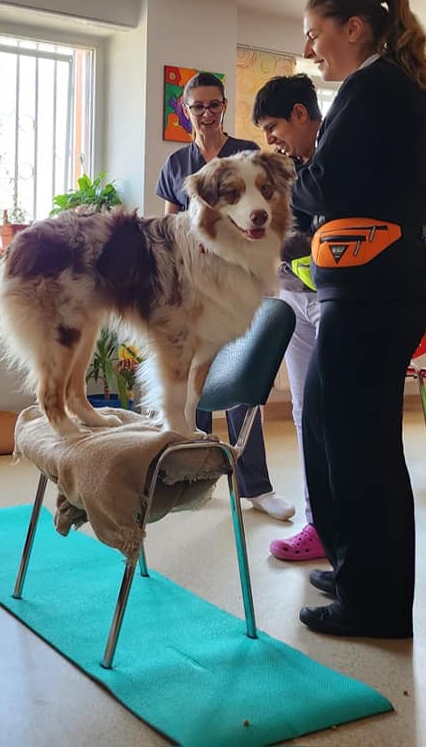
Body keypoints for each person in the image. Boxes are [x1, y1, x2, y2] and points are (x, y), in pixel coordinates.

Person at [291, 0, 426, 638]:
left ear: (353, 28)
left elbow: (327, 184)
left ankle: (376, 603)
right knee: (331, 434)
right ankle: (356, 567)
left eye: (314, 32)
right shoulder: (382, 90)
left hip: (371, 294)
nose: (309, 49)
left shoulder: (374, 87)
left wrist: (286, 176)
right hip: (369, 290)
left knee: (359, 448)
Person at [156, 71, 294, 521]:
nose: (207, 113)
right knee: (190, 381)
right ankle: (188, 483)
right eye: (198, 106)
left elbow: (268, 217)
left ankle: (255, 487)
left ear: (224, 106)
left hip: (239, 286)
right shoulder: (176, 164)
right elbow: (168, 230)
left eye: (214, 104)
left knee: (239, 385)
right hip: (192, 289)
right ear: (186, 110)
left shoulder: (246, 154)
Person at [251, 73, 326, 561]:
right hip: (294, 298)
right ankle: (318, 523)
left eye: (273, 127)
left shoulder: (338, 157)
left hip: (337, 299)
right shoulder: (284, 170)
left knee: (334, 413)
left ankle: (343, 523)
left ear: (301, 114)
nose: (271, 139)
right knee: (303, 413)